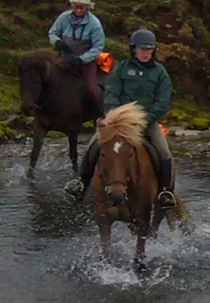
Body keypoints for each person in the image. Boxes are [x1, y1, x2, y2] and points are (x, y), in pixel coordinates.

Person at [69, 29, 176, 203]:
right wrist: (115, 115)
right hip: (118, 122)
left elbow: (162, 101)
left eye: (149, 49)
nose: (145, 53)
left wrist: (146, 119)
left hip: (146, 123)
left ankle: (165, 192)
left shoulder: (160, 73)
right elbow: (111, 93)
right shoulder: (121, 68)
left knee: (165, 153)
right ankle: (81, 183)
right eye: (142, 49)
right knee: (94, 145)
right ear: (134, 49)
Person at [48, 0, 106, 110]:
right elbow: (52, 32)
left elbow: (98, 46)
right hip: (65, 58)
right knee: (49, 81)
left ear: (88, 8)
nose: (78, 10)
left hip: (85, 62)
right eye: (75, 6)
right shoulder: (63, 18)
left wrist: (82, 60)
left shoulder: (94, 23)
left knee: (91, 90)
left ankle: (97, 114)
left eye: (82, 7)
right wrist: (57, 42)